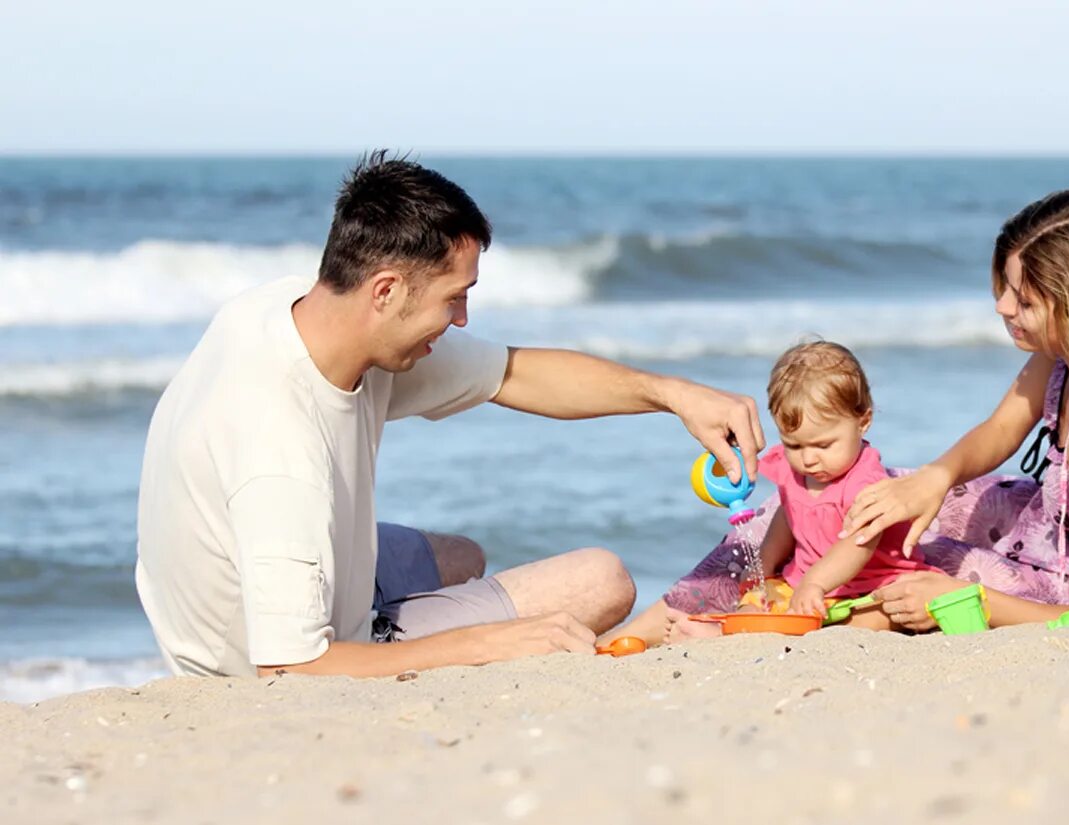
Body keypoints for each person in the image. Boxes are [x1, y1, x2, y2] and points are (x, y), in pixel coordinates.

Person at [135, 151, 765, 679]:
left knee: (460, 556)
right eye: (453, 299)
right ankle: (393, 635)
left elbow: (514, 373)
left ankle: (410, 619)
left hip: (255, 571)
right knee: (601, 582)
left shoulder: (291, 310)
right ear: (385, 290)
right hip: (249, 663)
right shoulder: (279, 455)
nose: (461, 320)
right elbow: (291, 673)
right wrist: (493, 645)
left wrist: (676, 395)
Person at [648, 188, 1069, 636]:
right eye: (1004, 287)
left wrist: (968, 601)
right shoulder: (1068, 358)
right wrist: (935, 481)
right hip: (1047, 529)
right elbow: (1001, 430)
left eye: (1025, 300)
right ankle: (702, 602)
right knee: (847, 496)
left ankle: (735, 617)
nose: (1002, 307)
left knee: (909, 569)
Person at [605, 341, 942, 645]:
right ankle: (722, 628)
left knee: (879, 617)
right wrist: (765, 564)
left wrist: (816, 584)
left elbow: (857, 544)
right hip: (806, 584)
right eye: (794, 444)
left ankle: (720, 638)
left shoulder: (865, 480)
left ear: (863, 421)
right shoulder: (797, 470)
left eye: (824, 444)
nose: (809, 459)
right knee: (760, 599)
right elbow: (788, 516)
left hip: (871, 584)